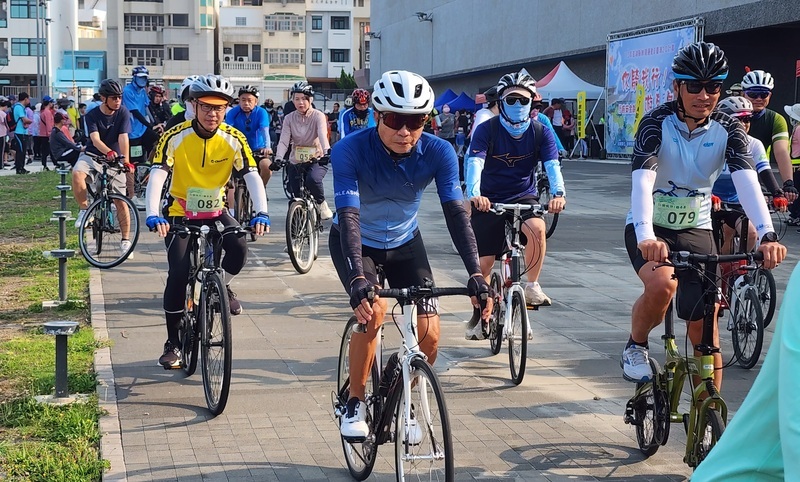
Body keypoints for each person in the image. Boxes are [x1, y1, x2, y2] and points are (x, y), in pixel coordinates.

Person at [332, 69, 490, 438]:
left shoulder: (438, 150)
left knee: (430, 335)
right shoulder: (349, 150)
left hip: (405, 243)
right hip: (357, 242)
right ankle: (355, 401)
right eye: (395, 120)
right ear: (376, 116)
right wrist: (357, 278)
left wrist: (476, 275)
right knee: (373, 311)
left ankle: (400, 391)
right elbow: (349, 216)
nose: (405, 131)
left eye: (416, 121)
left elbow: (456, 214)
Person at [620, 42, 786, 388]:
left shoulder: (729, 129)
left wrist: (767, 233)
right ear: (677, 87)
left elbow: (747, 181)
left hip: (697, 226)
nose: (704, 95)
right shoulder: (655, 123)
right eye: (693, 86)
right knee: (663, 285)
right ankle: (635, 346)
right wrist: (645, 235)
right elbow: (642, 182)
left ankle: (709, 414)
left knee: (706, 325)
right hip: (652, 226)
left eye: (713, 87)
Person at [144, 74, 270, 369]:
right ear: (193, 106)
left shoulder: (233, 137)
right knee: (178, 271)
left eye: (220, 108)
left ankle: (221, 286)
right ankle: (173, 342)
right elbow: (158, 174)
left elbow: (251, 174)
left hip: (215, 210)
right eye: (206, 107)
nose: (213, 114)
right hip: (180, 212)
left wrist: (261, 211)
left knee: (239, 246)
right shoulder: (174, 137)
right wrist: (153, 213)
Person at [465, 68, 565, 339]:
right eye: (511, 100)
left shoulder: (541, 132)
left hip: (524, 195)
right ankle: (482, 308)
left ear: (532, 101)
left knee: (537, 229)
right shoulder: (487, 129)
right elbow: (474, 163)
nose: (518, 105)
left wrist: (558, 194)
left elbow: (553, 166)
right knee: (483, 264)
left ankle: (532, 285)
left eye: (524, 100)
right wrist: (475, 193)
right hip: (488, 198)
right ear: (501, 101)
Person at [711, 96, 788, 258]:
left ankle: (737, 270)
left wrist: (777, 194)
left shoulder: (754, 144)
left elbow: (765, 171)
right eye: (739, 119)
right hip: (710, 202)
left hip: (738, 202)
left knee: (751, 233)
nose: (744, 124)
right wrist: (708, 194)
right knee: (714, 243)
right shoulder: (711, 143)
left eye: (747, 119)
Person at [71, 79, 135, 256]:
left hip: (115, 159)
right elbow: (95, 139)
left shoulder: (122, 112)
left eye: (120, 97)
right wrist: (107, 151)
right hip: (93, 155)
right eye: (114, 98)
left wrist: (126, 161)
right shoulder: (91, 115)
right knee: (77, 173)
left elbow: (123, 138)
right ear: (103, 98)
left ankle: (126, 241)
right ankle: (84, 211)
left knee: (121, 201)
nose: (118, 101)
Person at [274, 81, 333, 219]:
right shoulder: (289, 118)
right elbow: (283, 141)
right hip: (296, 160)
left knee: (313, 180)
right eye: (297, 99)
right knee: (295, 194)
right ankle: (296, 228)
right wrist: (278, 158)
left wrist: (326, 152)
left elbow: (322, 135)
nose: (301, 102)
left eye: (304, 99)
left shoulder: (318, 116)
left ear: (310, 99)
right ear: (292, 100)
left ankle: (321, 203)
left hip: (316, 158)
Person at [741, 70, 798, 203]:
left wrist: (788, 183)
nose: (759, 98)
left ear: (770, 95)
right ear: (743, 93)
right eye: (753, 94)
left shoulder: (776, 119)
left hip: (760, 174)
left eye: (764, 94)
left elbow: (781, 152)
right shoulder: (730, 115)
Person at [225, 85, 273, 187]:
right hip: (238, 150)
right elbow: (227, 131)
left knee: (267, 167)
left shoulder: (261, 112)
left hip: (258, 150)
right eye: (243, 100)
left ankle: (260, 190)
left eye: (250, 100)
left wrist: (267, 147)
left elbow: (264, 131)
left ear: (256, 102)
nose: (246, 103)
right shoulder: (233, 112)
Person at [783, 102, 800, 225]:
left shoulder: (799, 129)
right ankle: (795, 215)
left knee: (797, 192)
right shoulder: (797, 128)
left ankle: (797, 215)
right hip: (794, 166)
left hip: (798, 167)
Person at [11, 92, 32, 174]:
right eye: (28, 99)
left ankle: (22, 167)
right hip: (19, 132)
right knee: (20, 151)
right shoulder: (19, 107)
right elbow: (25, 120)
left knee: (23, 151)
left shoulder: (22, 107)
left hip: (23, 132)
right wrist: (31, 121)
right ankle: (19, 168)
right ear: (25, 99)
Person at [37, 96, 55, 171]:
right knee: (47, 150)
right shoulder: (47, 112)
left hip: (43, 133)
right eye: (51, 102)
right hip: (47, 134)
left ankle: (52, 163)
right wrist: (50, 134)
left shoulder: (43, 112)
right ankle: (46, 164)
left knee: (47, 150)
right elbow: (48, 124)